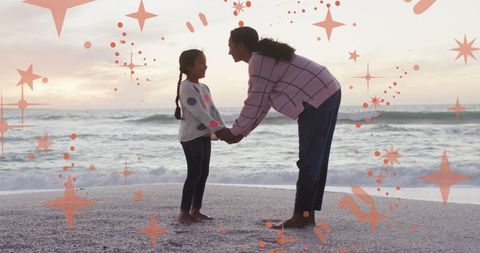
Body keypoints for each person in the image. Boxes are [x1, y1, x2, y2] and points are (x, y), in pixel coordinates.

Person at [219, 27, 342, 229]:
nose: (229, 51)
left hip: (319, 95)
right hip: (327, 89)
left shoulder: (258, 61)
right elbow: (263, 103)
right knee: (315, 158)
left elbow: (255, 101)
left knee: (309, 159)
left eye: (230, 46)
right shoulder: (262, 59)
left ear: (241, 45)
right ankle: (306, 215)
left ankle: (301, 217)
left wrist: (236, 132)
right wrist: (241, 131)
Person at [174, 49, 226, 223]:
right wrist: (219, 130)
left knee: (204, 172)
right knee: (194, 172)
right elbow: (199, 113)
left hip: (204, 135)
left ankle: (196, 210)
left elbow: (212, 110)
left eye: (205, 62)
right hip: (191, 137)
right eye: (201, 63)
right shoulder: (186, 87)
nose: (205, 66)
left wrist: (224, 129)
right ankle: (184, 212)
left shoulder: (204, 87)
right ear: (189, 66)